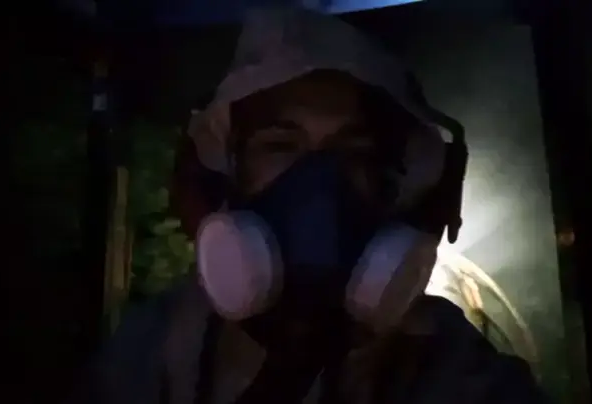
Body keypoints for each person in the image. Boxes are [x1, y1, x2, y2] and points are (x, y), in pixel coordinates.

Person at [73, 7, 548, 404]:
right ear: (227, 173)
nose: (319, 184)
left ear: (393, 183)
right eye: (280, 146)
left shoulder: (460, 372)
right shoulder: (151, 353)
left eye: (355, 152)